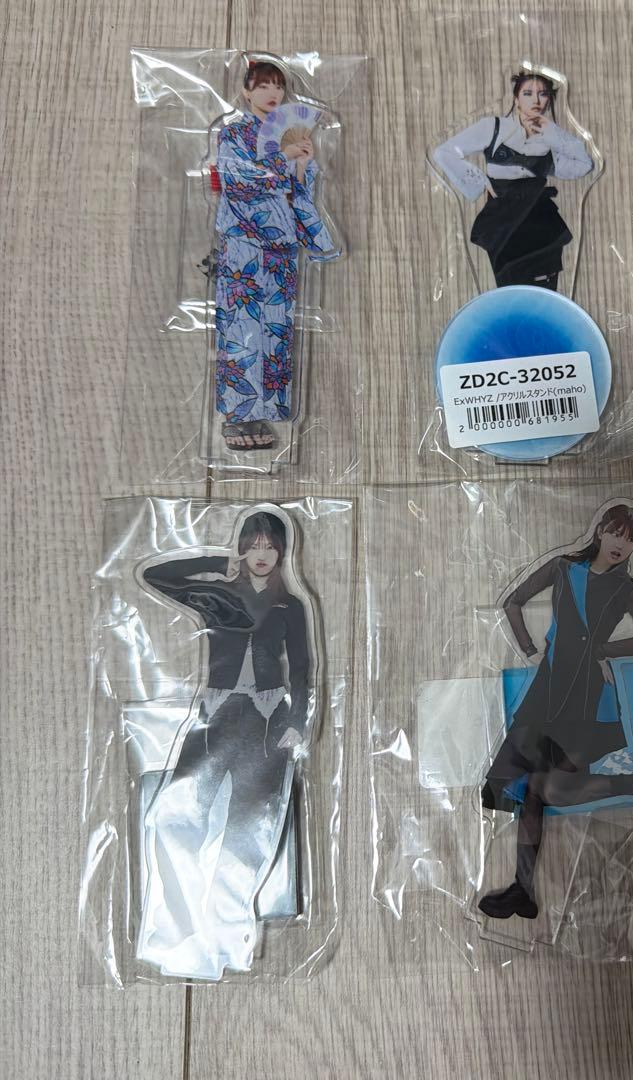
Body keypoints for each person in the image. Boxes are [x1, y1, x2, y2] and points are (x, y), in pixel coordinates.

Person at [135, 508, 313, 978]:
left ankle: (228, 931)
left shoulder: (290, 606)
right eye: (253, 545)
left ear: (282, 551)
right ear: (242, 549)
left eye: (270, 545)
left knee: (248, 827)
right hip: (217, 714)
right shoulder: (221, 594)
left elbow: (301, 667)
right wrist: (216, 560)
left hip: (267, 719)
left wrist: (297, 722)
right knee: (182, 813)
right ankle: (178, 925)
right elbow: (155, 576)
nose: (262, 554)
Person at [478, 504, 633, 921]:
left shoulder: (628, 589)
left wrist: (601, 650)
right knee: (517, 789)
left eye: (631, 539)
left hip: (589, 696)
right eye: (616, 532)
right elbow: (513, 602)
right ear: (600, 531)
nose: (621, 543)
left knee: (544, 791)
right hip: (548, 691)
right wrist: (531, 650)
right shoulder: (564, 568)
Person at [214, 60, 339, 452]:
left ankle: (271, 408)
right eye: (263, 86)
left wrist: (301, 165)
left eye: (278, 87)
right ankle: (238, 416)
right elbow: (237, 180)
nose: (273, 94)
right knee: (241, 326)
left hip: (281, 244)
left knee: (277, 326)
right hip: (243, 242)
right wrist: (283, 157)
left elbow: (298, 192)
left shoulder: (286, 134)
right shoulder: (233, 133)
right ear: (246, 92)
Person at [431, 70, 594, 290]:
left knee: (545, 289)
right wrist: (481, 182)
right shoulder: (493, 127)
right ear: (516, 98)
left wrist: (552, 131)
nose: (536, 100)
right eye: (528, 93)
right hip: (503, 221)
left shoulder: (550, 140)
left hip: (540, 220)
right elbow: (444, 152)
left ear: (549, 99)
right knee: (509, 285)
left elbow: (585, 164)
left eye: (543, 94)